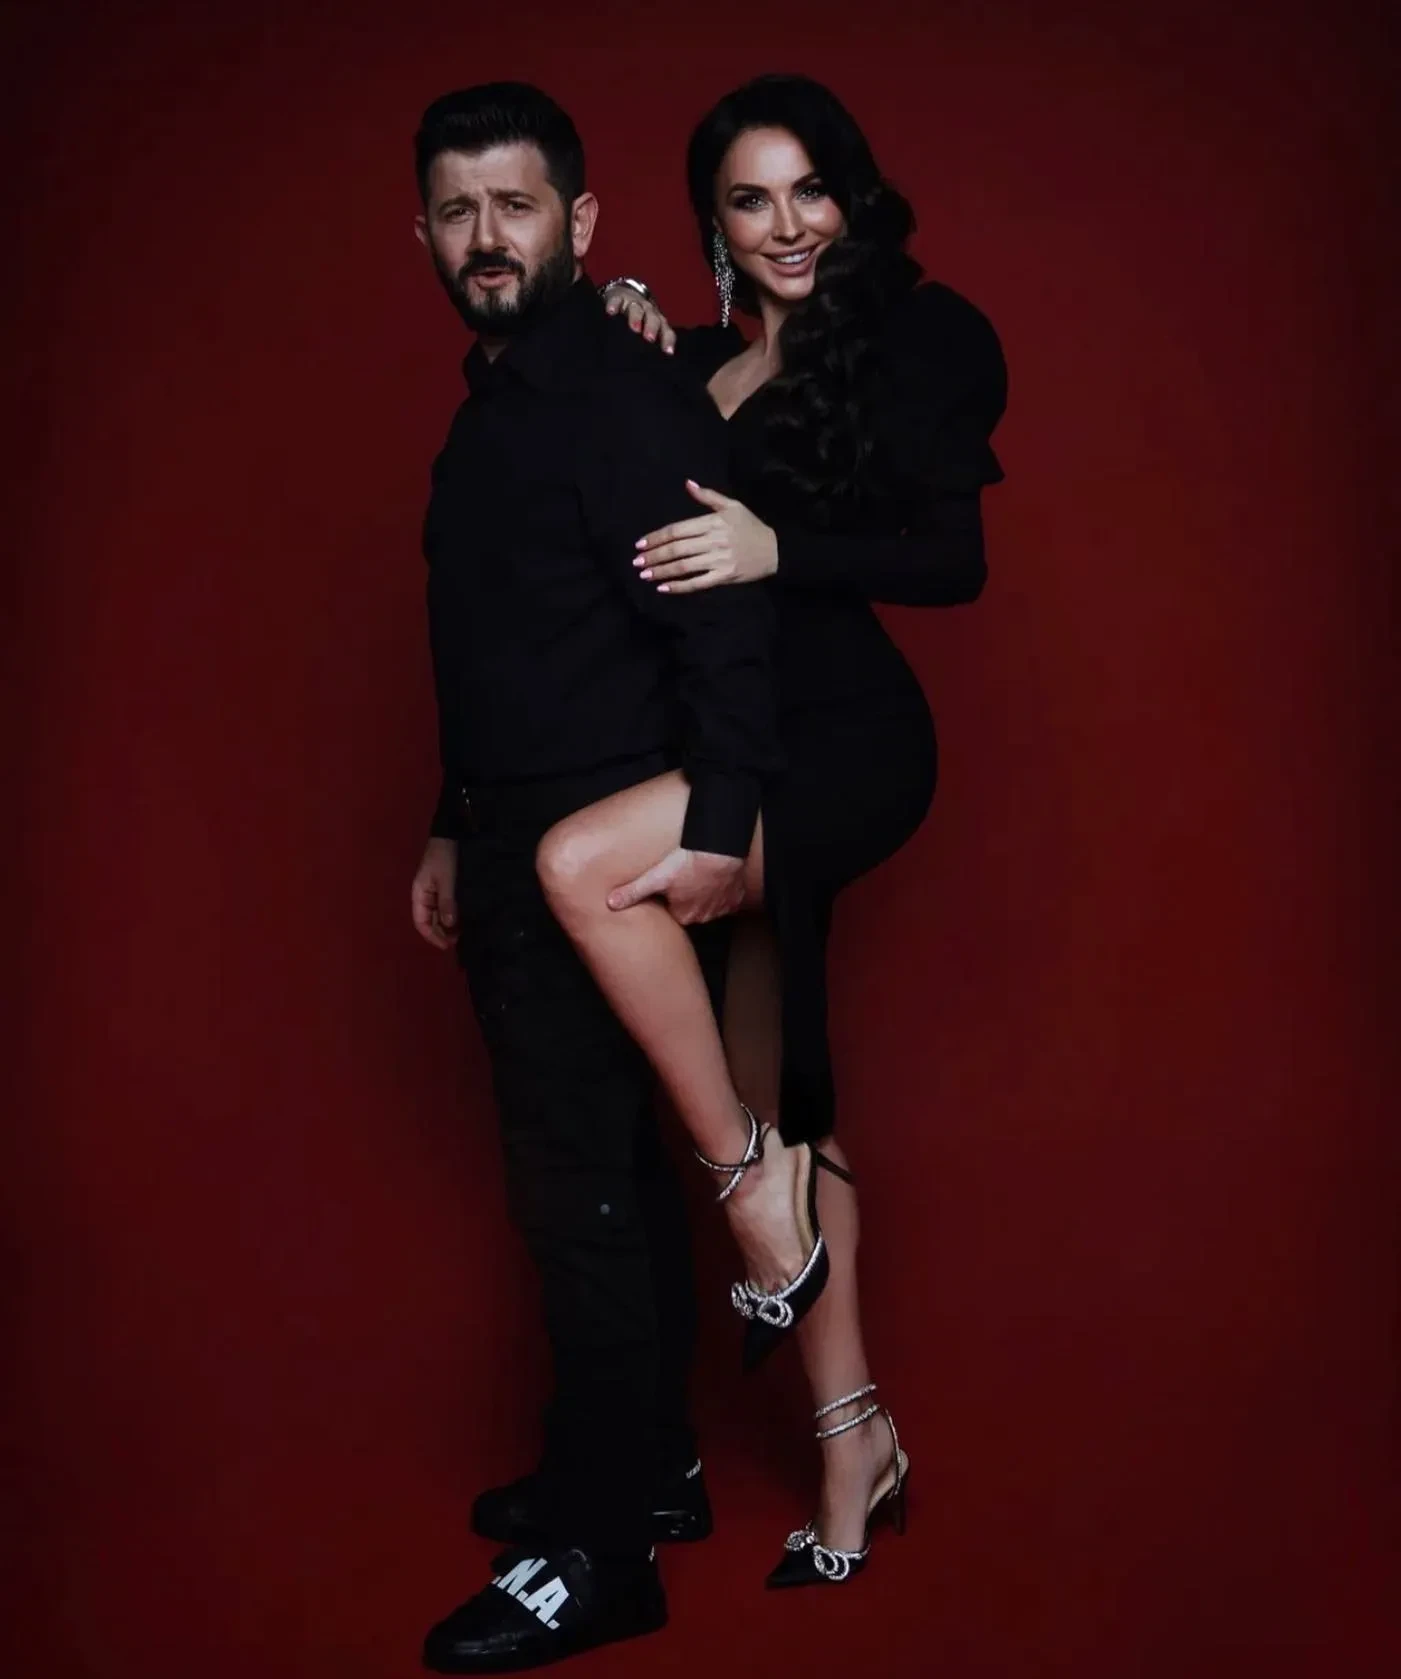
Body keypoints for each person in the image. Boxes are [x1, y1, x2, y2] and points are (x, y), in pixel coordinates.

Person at [535, 73, 1007, 1588]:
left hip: (851, 741)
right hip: (740, 750)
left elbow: (955, 562)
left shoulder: (917, 334)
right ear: (713, 224)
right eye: (752, 198)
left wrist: (773, 546)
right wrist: (617, 321)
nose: (789, 224)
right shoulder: (693, 360)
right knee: (777, 1099)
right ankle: (854, 1432)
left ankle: (757, 1198)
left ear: (850, 197)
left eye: (811, 189)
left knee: (594, 881)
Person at [406, 83, 781, 1671]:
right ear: (424, 232)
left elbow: (729, 621)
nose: (487, 237)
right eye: (458, 211)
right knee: (601, 1177)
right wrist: (449, 818)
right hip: (507, 837)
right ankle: (646, 1467)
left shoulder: (626, 395)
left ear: (581, 220)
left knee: (586, 1194)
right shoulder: (492, 407)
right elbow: (498, 645)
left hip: (603, 857)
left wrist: (721, 828)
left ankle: (603, 1554)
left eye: (517, 205)